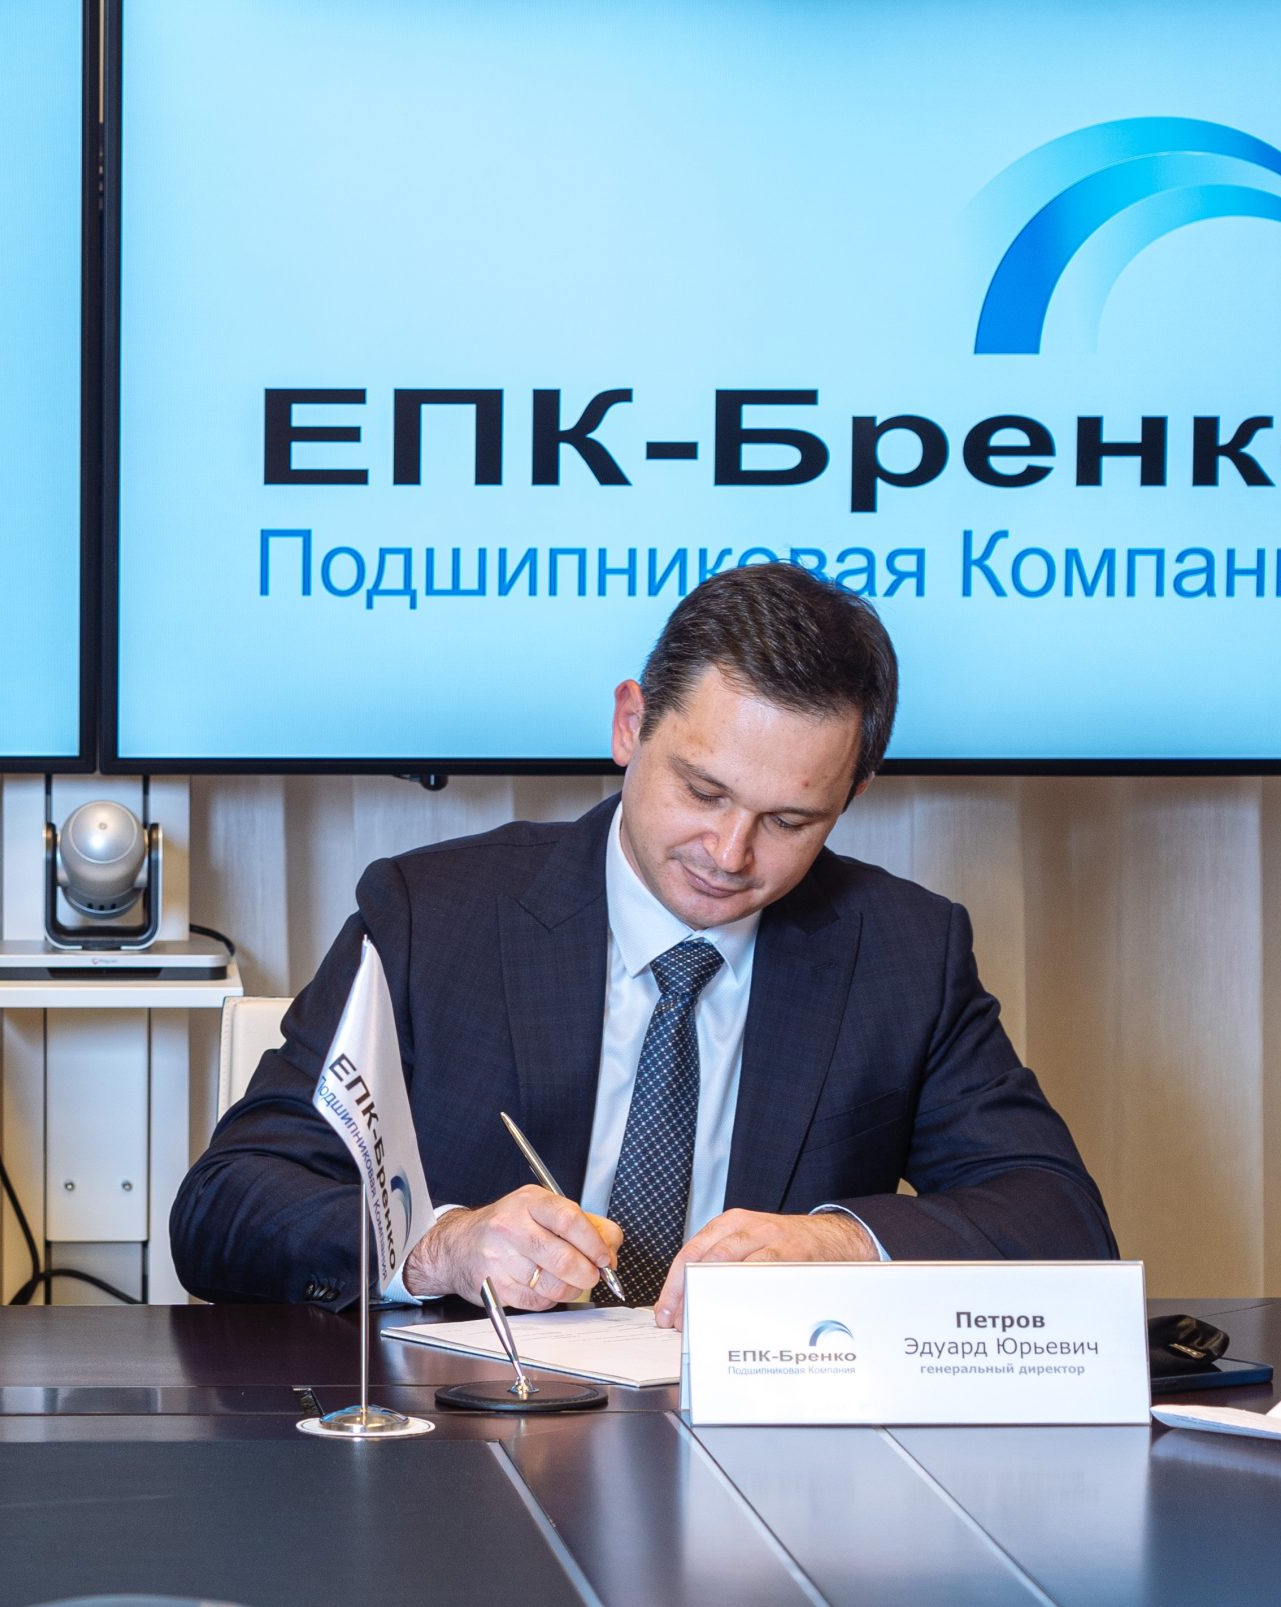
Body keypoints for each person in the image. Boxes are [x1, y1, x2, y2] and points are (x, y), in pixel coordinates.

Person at [172, 562, 1113, 1326]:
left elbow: (1061, 1220)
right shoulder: (432, 914)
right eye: (703, 791)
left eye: (789, 820)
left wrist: (841, 1244)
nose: (730, 853)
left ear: (850, 797)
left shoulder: (903, 951)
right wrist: (438, 1246)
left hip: (761, 1456)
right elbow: (226, 1201)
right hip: (468, 1445)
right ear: (630, 724)